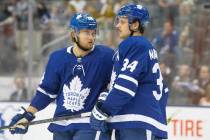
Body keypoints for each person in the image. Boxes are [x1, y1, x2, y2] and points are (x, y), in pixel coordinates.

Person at [8, 12, 114, 140]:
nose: (91, 37)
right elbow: (47, 91)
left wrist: (104, 100)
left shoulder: (106, 56)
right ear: (73, 34)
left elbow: (115, 85)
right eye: (86, 32)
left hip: (89, 124)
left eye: (93, 33)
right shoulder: (57, 58)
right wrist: (28, 114)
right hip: (61, 124)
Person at [90, 3, 169, 140]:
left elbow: (126, 86)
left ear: (135, 25)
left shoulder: (135, 44)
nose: (117, 26)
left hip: (136, 120)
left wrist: (104, 110)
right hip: (138, 119)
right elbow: (164, 90)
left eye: (122, 22)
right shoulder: (144, 47)